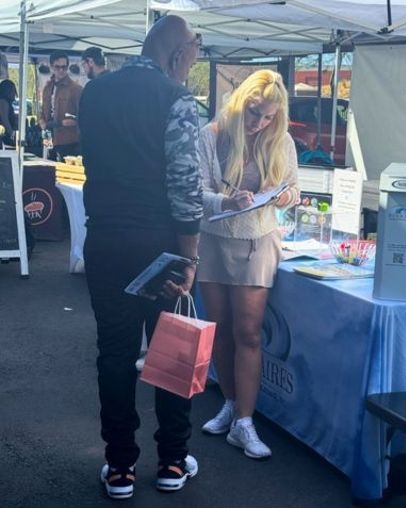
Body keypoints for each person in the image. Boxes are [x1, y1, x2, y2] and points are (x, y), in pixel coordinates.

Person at [78, 15, 203, 500]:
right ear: (176, 55)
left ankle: (119, 468)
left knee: (113, 352)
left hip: (106, 239)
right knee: (171, 350)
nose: (193, 64)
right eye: (194, 53)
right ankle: (172, 461)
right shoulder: (176, 99)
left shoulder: (95, 93)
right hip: (160, 244)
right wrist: (190, 258)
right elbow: (186, 186)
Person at [198, 69, 300, 459]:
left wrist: (282, 197)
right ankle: (229, 403)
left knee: (250, 333)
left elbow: (294, 186)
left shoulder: (282, 140)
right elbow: (198, 190)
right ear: (241, 103)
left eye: (268, 116)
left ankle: (245, 420)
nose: (259, 123)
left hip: (258, 240)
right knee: (221, 330)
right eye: (254, 113)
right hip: (214, 239)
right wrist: (226, 202)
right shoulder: (212, 134)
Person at [39, 50, 82, 160]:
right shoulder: (47, 88)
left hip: (69, 140)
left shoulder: (75, 89)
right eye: (57, 67)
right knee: (48, 169)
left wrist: (71, 121)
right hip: (48, 137)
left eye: (64, 67)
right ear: (51, 67)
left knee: (65, 173)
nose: (61, 70)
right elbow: (42, 111)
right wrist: (42, 121)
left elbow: (82, 116)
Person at [0, 79, 17, 147]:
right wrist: (12, 134)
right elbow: (5, 121)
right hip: (4, 138)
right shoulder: (3, 102)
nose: (14, 93)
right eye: (12, 91)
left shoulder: (5, 102)